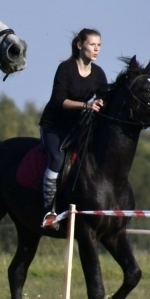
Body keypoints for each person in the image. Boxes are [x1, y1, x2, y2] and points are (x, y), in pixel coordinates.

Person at [38, 28, 107, 224]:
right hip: (53, 126)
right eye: (92, 44)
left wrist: (102, 104)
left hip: (78, 127)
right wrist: (86, 105)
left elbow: (104, 100)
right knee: (58, 158)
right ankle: (48, 210)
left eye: (99, 45)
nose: (97, 49)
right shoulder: (65, 69)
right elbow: (59, 101)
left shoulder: (99, 74)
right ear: (79, 45)